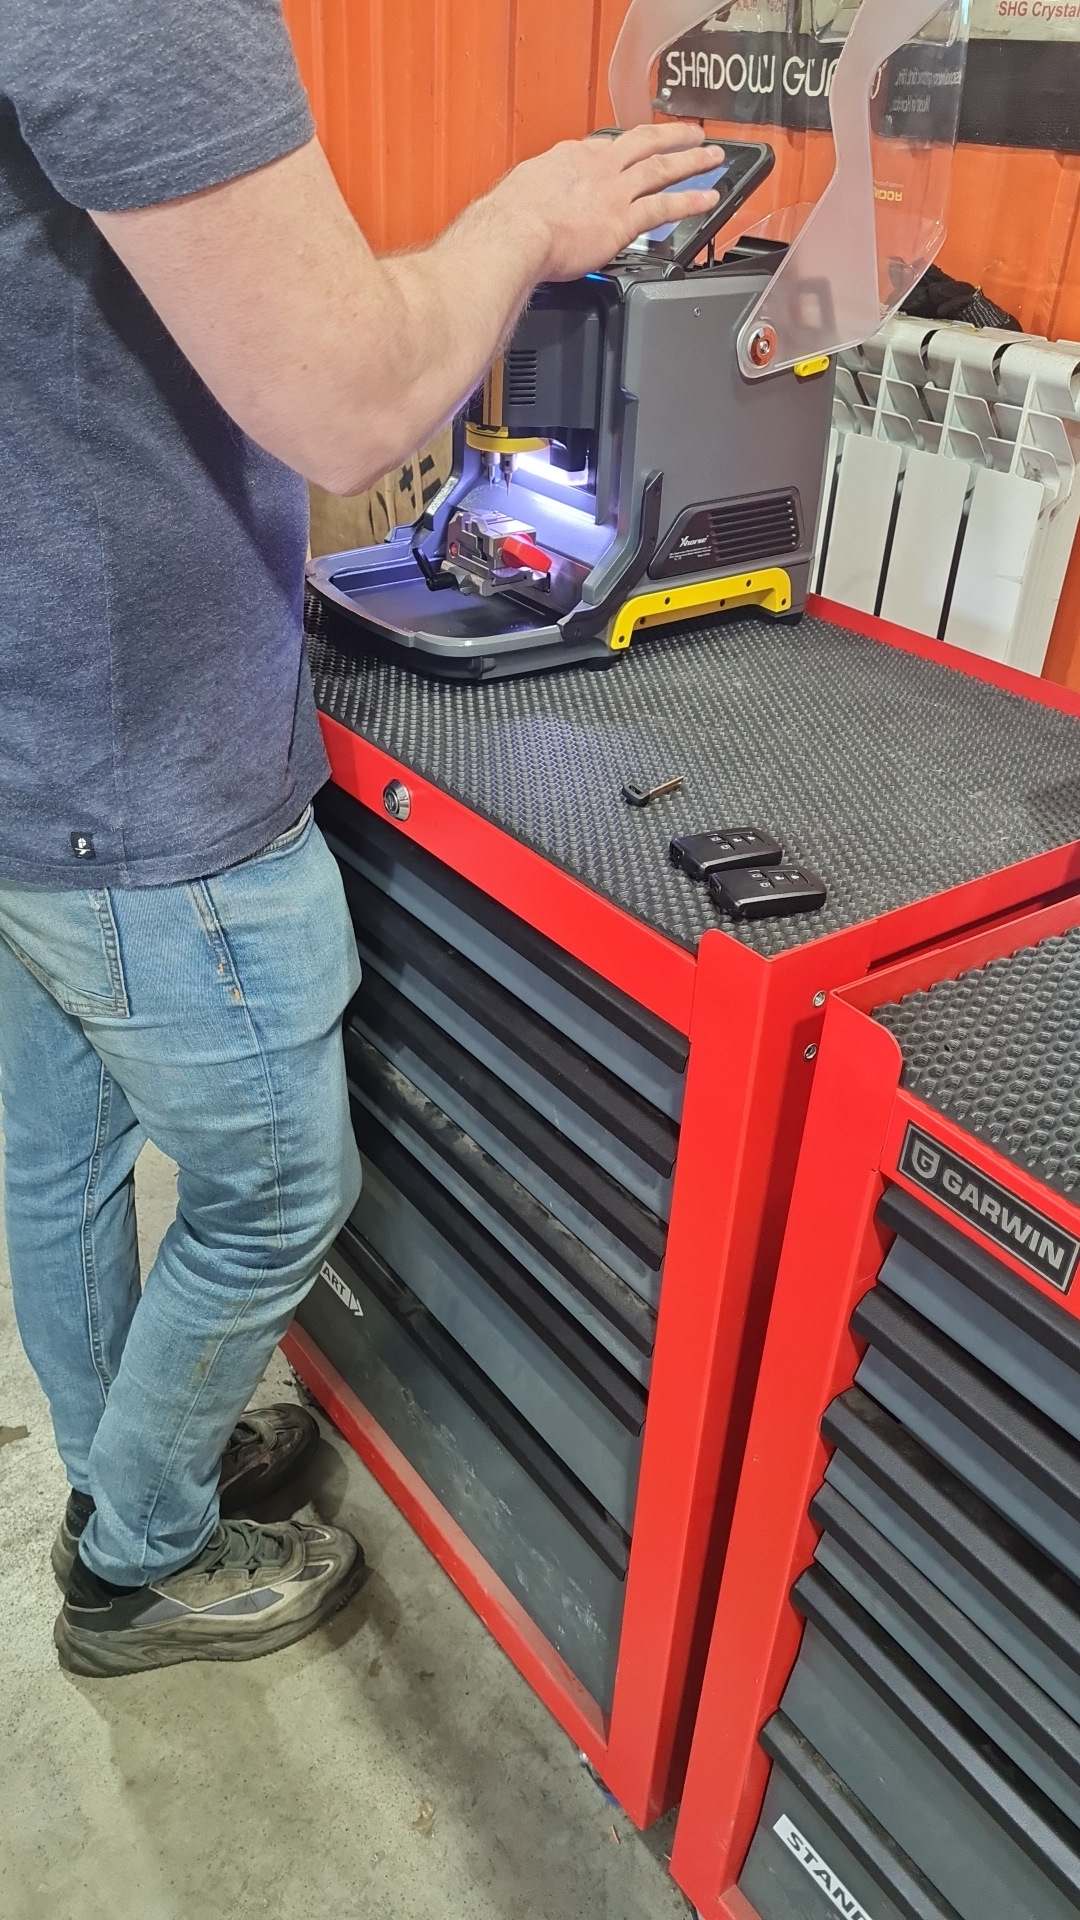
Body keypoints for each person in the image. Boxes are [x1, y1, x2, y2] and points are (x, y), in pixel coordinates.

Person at [0, 0, 722, 1679]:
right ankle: (141, 1556)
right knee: (273, 1193)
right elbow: (356, 402)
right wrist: (527, 219)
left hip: (38, 740)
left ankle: (131, 1462)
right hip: (148, 763)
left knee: (63, 1160)